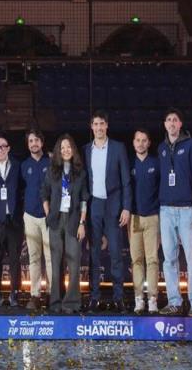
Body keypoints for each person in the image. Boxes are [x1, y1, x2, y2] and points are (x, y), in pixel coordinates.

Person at [158, 108, 192, 317]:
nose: (171, 123)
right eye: (168, 119)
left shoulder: (191, 145)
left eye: (175, 120)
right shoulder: (161, 148)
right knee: (169, 259)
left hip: (188, 210)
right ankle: (174, 302)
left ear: (180, 124)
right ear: (165, 124)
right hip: (166, 210)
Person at [84, 110, 131, 313]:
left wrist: (126, 207)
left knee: (115, 254)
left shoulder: (118, 148)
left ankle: (118, 297)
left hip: (113, 205)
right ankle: (94, 298)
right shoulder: (86, 150)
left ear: (107, 126)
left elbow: (126, 180)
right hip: (94, 205)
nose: (99, 127)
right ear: (91, 127)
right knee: (94, 254)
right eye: (95, 124)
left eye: (102, 123)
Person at [41, 134, 88, 314]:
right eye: (62, 148)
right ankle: (55, 302)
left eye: (69, 147)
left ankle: (72, 302)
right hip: (55, 219)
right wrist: (49, 215)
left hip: (74, 219)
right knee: (55, 262)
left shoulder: (80, 173)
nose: (66, 150)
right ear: (58, 151)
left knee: (74, 261)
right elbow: (44, 194)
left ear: (73, 150)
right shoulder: (51, 171)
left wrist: (82, 222)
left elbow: (84, 199)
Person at [0, 133, 22, 307]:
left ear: (8, 148)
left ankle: (14, 294)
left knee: (15, 259)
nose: (0, 149)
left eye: (3, 146)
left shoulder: (17, 165)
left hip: (13, 219)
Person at [129, 129, 160, 314]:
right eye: (137, 140)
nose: (140, 143)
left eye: (144, 140)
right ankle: (139, 299)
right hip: (134, 218)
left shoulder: (156, 163)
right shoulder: (129, 164)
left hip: (153, 217)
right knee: (136, 260)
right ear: (133, 143)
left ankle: (153, 299)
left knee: (152, 260)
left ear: (148, 143)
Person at [21, 129, 52, 310]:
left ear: (42, 142)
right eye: (31, 141)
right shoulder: (24, 165)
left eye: (37, 140)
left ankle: (51, 294)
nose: (34, 143)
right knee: (34, 257)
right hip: (30, 216)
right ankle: (35, 295)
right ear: (28, 144)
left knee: (50, 258)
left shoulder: (51, 162)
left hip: (48, 216)